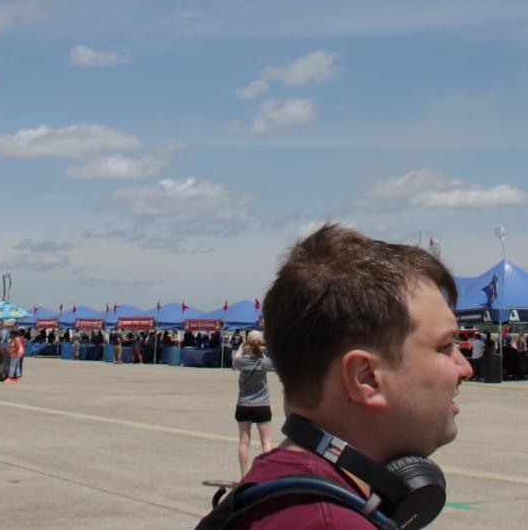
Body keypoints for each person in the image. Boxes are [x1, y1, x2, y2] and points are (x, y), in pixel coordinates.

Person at [201, 223, 471, 529]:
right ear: (365, 377)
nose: (465, 369)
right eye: (445, 346)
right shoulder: (327, 522)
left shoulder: (276, 493)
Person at [234, 330, 276, 477]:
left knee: (244, 442)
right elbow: (270, 358)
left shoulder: (241, 361)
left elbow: (235, 360)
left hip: (244, 404)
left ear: (247, 343)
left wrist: (241, 347)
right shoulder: (265, 362)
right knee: (266, 443)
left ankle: (244, 476)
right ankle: (268, 476)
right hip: (262, 405)